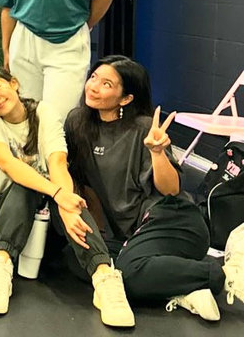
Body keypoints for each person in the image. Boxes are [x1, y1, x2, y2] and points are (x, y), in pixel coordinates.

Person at [65, 56, 244, 321]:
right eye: (93, 78)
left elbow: (171, 190)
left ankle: (223, 273)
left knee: (127, 274)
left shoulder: (144, 128)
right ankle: (183, 290)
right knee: (82, 260)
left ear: (126, 99)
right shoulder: (77, 122)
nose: (93, 87)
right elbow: (84, 182)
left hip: (172, 221)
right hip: (130, 232)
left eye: (106, 84)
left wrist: (158, 153)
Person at [0, 67, 135, 327]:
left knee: (71, 201)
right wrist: (60, 195)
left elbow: (58, 162)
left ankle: (104, 276)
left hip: (49, 216)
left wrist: (66, 205)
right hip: (7, 212)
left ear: (13, 83)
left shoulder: (44, 112)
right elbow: (9, 165)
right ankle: (0, 266)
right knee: (26, 183)